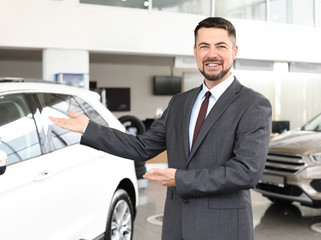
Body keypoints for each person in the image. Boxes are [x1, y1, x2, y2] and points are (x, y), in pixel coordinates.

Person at [50, 17, 272, 240]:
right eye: (204, 46)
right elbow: (141, 147)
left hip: (223, 230)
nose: (211, 54)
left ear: (234, 51)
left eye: (220, 46)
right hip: (176, 227)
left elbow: (246, 172)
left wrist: (181, 179)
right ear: (195, 51)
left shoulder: (253, 105)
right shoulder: (180, 103)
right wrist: (89, 128)